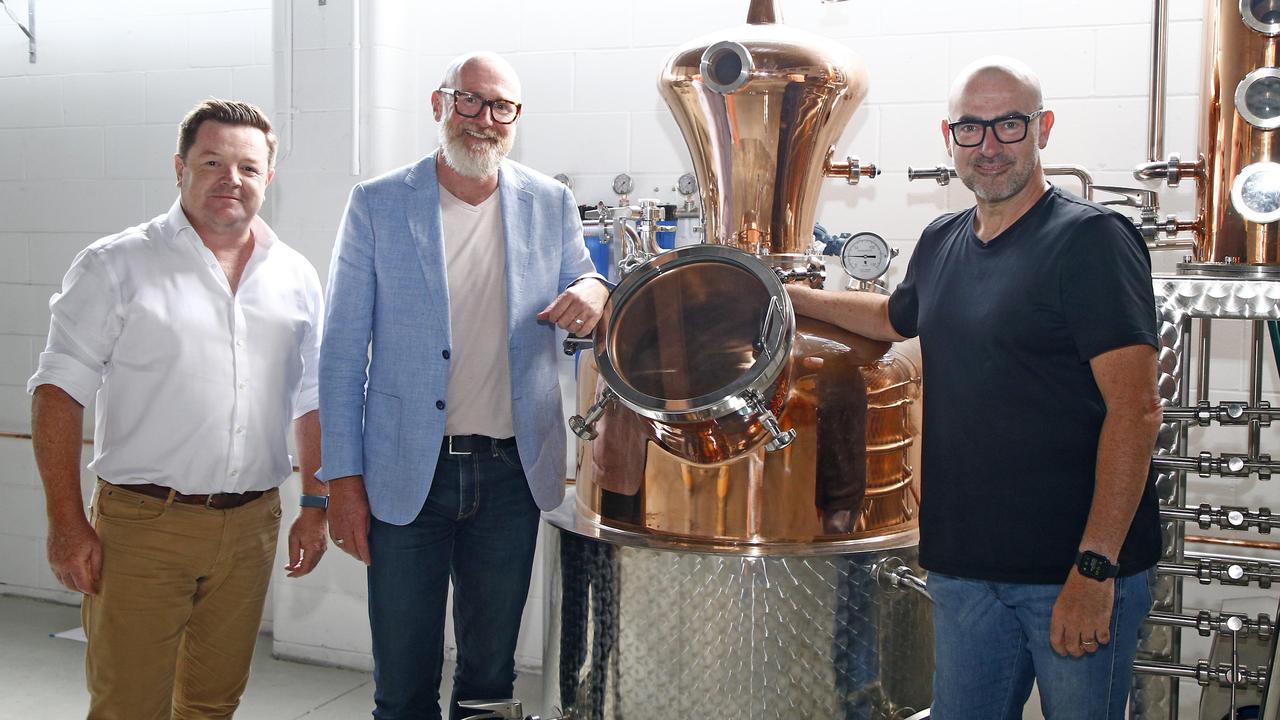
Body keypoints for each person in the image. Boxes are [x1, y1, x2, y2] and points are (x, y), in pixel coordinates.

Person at [788, 57, 1162, 719]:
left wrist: (1096, 568)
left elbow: (1134, 411)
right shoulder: (942, 239)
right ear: (948, 136)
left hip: (1067, 571)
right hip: (966, 571)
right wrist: (794, 297)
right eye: (971, 129)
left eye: (1009, 125)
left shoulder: (1090, 242)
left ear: (1042, 128)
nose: (989, 146)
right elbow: (892, 319)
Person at [318, 51, 609, 719]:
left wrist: (594, 285)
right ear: (439, 104)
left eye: (500, 106)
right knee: (404, 678)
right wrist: (341, 480)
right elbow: (338, 354)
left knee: (490, 676)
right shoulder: (379, 204)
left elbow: (587, 282)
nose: (484, 119)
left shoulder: (550, 201)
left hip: (511, 476)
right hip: (405, 478)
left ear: (516, 118)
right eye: (470, 101)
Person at [28, 99, 329, 719]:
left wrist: (317, 503)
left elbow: (312, 397)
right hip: (143, 526)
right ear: (180, 168)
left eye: (248, 166)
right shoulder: (117, 264)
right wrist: (65, 520)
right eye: (212, 161)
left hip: (251, 526)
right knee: (129, 706)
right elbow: (58, 389)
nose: (231, 179)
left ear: (268, 177)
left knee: (214, 702)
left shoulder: (295, 275)